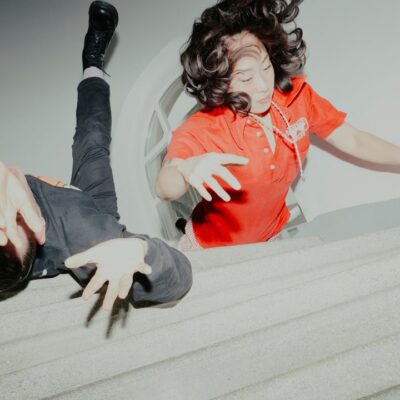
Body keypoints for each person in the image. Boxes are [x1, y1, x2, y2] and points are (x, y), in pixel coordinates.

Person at [156, 0, 400, 250]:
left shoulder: (297, 97)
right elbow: (164, 186)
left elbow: (354, 139)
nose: (263, 86)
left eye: (265, 67)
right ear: (222, 82)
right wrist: (183, 169)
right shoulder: (204, 127)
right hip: (210, 250)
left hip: (270, 240)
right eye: (246, 78)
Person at [0, 1, 192, 310]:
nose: (12, 207)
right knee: (92, 138)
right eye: (19, 220)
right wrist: (140, 251)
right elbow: (179, 276)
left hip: (61, 200)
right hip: (90, 207)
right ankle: (93, 60)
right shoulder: (82, 235)